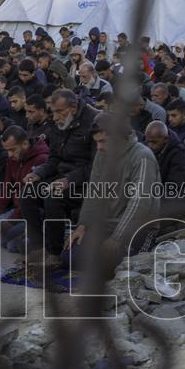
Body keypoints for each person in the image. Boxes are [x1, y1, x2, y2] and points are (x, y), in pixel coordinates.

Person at [63, 112, 160, 271]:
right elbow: (94, 192)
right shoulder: (102, 155)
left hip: (138, 228)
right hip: (107, 224)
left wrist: (117, 238)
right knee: (70, 257)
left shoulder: (142, 156)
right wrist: (83, 225)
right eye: (97, 142)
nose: (99, 147)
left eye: (103, 141)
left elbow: (139, 203)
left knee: (111, 266)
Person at [19, 88, 98, 265]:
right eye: (53, 112)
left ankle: (54, 254)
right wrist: (38, 173)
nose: (54, 117)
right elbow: (54, 158)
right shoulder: (57, 124)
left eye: (59, 112)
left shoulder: (94, 121)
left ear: (74, 107)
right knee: (28, 193)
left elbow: (96, 166)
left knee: (52, 196)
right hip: (62, 177)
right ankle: (39, 248)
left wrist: (69, 180)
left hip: (85, 182)